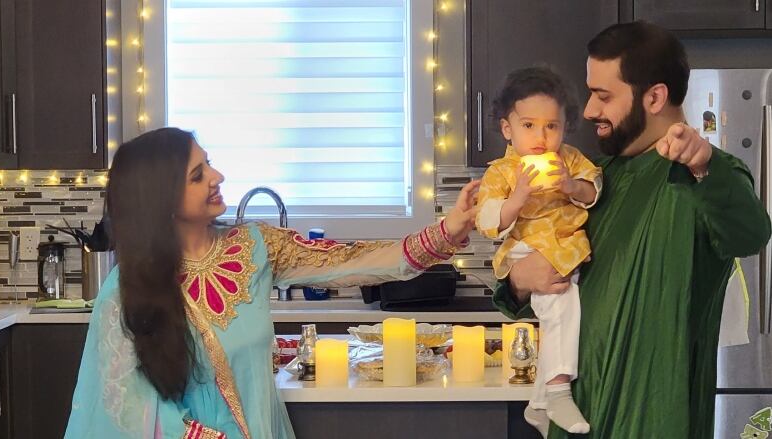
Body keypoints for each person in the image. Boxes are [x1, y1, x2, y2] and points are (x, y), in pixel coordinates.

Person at [64, 127, 480, 439]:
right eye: (198, 173)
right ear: (162, 198)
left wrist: (448, 231)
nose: (218, 175)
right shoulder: (127, 288)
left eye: (209, 162)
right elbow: (120, 401)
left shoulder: (254, 247)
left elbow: (354, 261)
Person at [493, 21, 771, 438]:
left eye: (603, 96)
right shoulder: (592, 179)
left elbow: (749, 235)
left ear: (655, 97)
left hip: (653, 422)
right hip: (576, 419)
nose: (587, 111)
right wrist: (517, 280)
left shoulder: (699, 176)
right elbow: (523, 285)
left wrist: (704, 164)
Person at [476, 67, 600, 434]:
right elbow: (489, 220)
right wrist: (516, 200)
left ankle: (540, 404)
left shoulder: (570, 160)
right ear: (507, 129)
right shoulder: (502, 171)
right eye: (529, 126)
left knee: (563, 313)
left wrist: (572, 187)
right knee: (561, 309)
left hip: (564, 249)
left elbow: (594, 189)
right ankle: (557, 391)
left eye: (552, 126)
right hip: (526, 249)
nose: (541, 137)